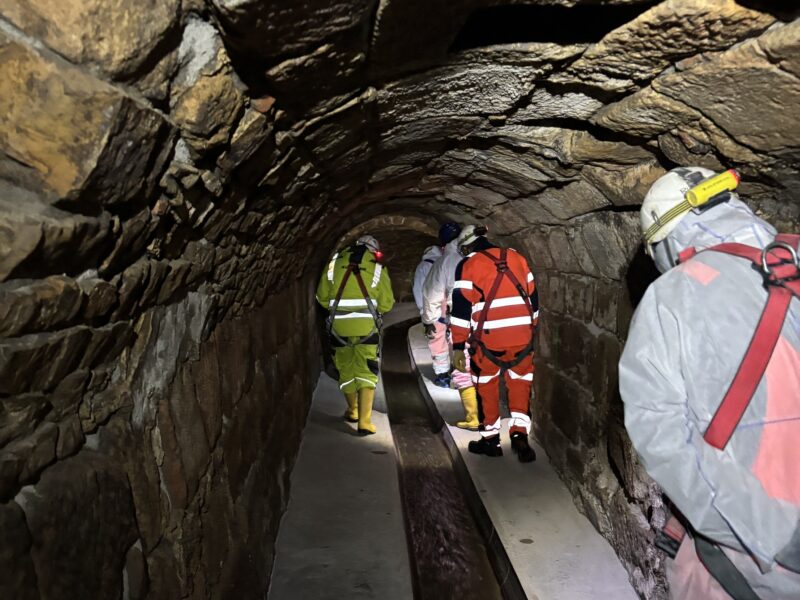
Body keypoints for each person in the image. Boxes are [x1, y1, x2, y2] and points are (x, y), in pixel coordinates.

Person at [619, 166, 800, 599]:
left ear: (665, 241)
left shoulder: (671, 297)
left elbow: (662, 437)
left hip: (752, 557)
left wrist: (776, 534)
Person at [450, 225, 539, 462]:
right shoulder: (517, 257)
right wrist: (528, 328)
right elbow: (533, 298)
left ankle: (490, 440)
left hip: (487, 341)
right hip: (522, 338)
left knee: (485, 386)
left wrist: (458, 346)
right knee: (520, 384)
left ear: (467, 246)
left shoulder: (468, 264)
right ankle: (520, 435)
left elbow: (461, 309)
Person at [316, 235, 395, 435]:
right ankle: (365, 422)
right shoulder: (377, 267)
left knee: (345, 369)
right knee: (367, 370)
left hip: (339, 328)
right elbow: (387, 304)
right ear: (374, 250)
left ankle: (352, 410)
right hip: (366, 328)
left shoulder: (334, 263)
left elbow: (322, 298)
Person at [421, 222, 479, 429]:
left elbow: (431, 294)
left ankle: (473, 417)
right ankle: (489, 413)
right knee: (484, 365)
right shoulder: (479, 257)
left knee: (463, 363)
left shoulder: (444, 262)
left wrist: (429, 320)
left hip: (461, 320)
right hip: (486, 319)